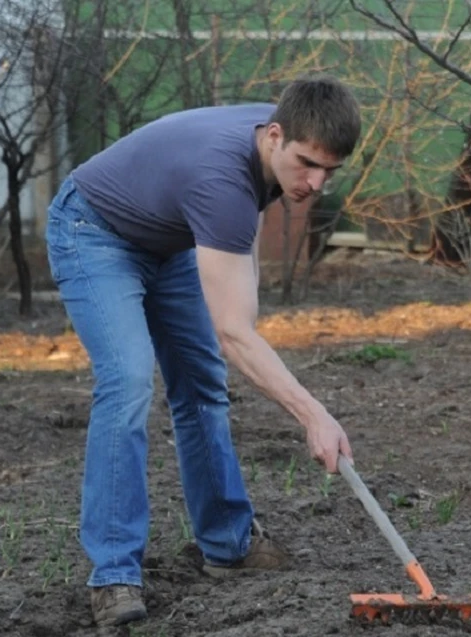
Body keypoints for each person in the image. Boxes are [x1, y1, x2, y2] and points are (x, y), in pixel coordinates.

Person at [44, 74, 360, 628]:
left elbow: (238, 305)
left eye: (329, 171)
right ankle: (114, 573)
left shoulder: (284, 132)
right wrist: (315, 416)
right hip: (92, 229)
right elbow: (235, 332)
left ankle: (229, 544)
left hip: (168, 240)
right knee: (129, 380)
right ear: (274, 136)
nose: (316, 183)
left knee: (201, 382)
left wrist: (251, 339)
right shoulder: (222, 179)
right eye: (307, 164)